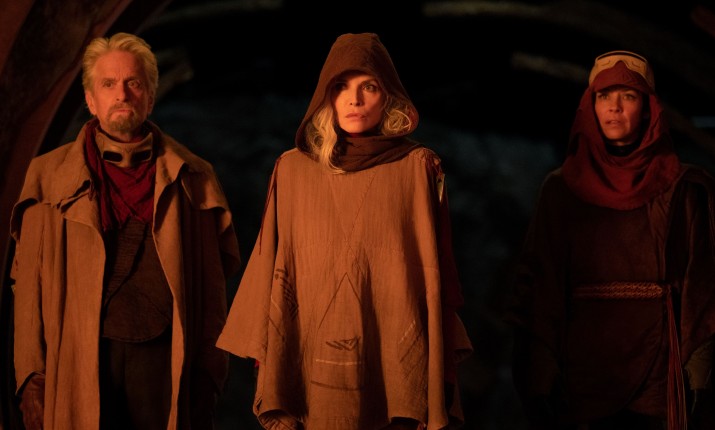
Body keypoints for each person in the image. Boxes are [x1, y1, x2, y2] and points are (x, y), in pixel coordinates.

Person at [216, 32, 473, 430]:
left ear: (388, 96)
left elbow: (434, 268)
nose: (354, 100)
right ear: (326, 96)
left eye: (368, 86)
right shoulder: (292, 170)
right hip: (311, 353)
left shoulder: (416, 167)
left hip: (391, 352)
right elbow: (272, 265)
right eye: (341, 87)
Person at [9, 32, 241, 430]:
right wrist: (31, 380)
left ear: (150, 96)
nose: (122, 94)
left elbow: (212, 293)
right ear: (90, 99)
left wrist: (209, 376)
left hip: (162, 369)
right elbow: (29, 290)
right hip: (79, 363)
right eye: (108, 84)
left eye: (133, 83)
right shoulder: (48, 177)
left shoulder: (192, 178)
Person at [506, 50, 715, 429]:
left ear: (648, 109)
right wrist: (540, 367)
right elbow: (542, 280)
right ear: (590, 106)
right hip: (581, 364)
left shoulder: (683, 188)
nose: (614, 107)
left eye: (628, 96)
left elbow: (700, 281)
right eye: (604, 96)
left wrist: (700, 366)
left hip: (661, 366)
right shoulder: (561, 188)